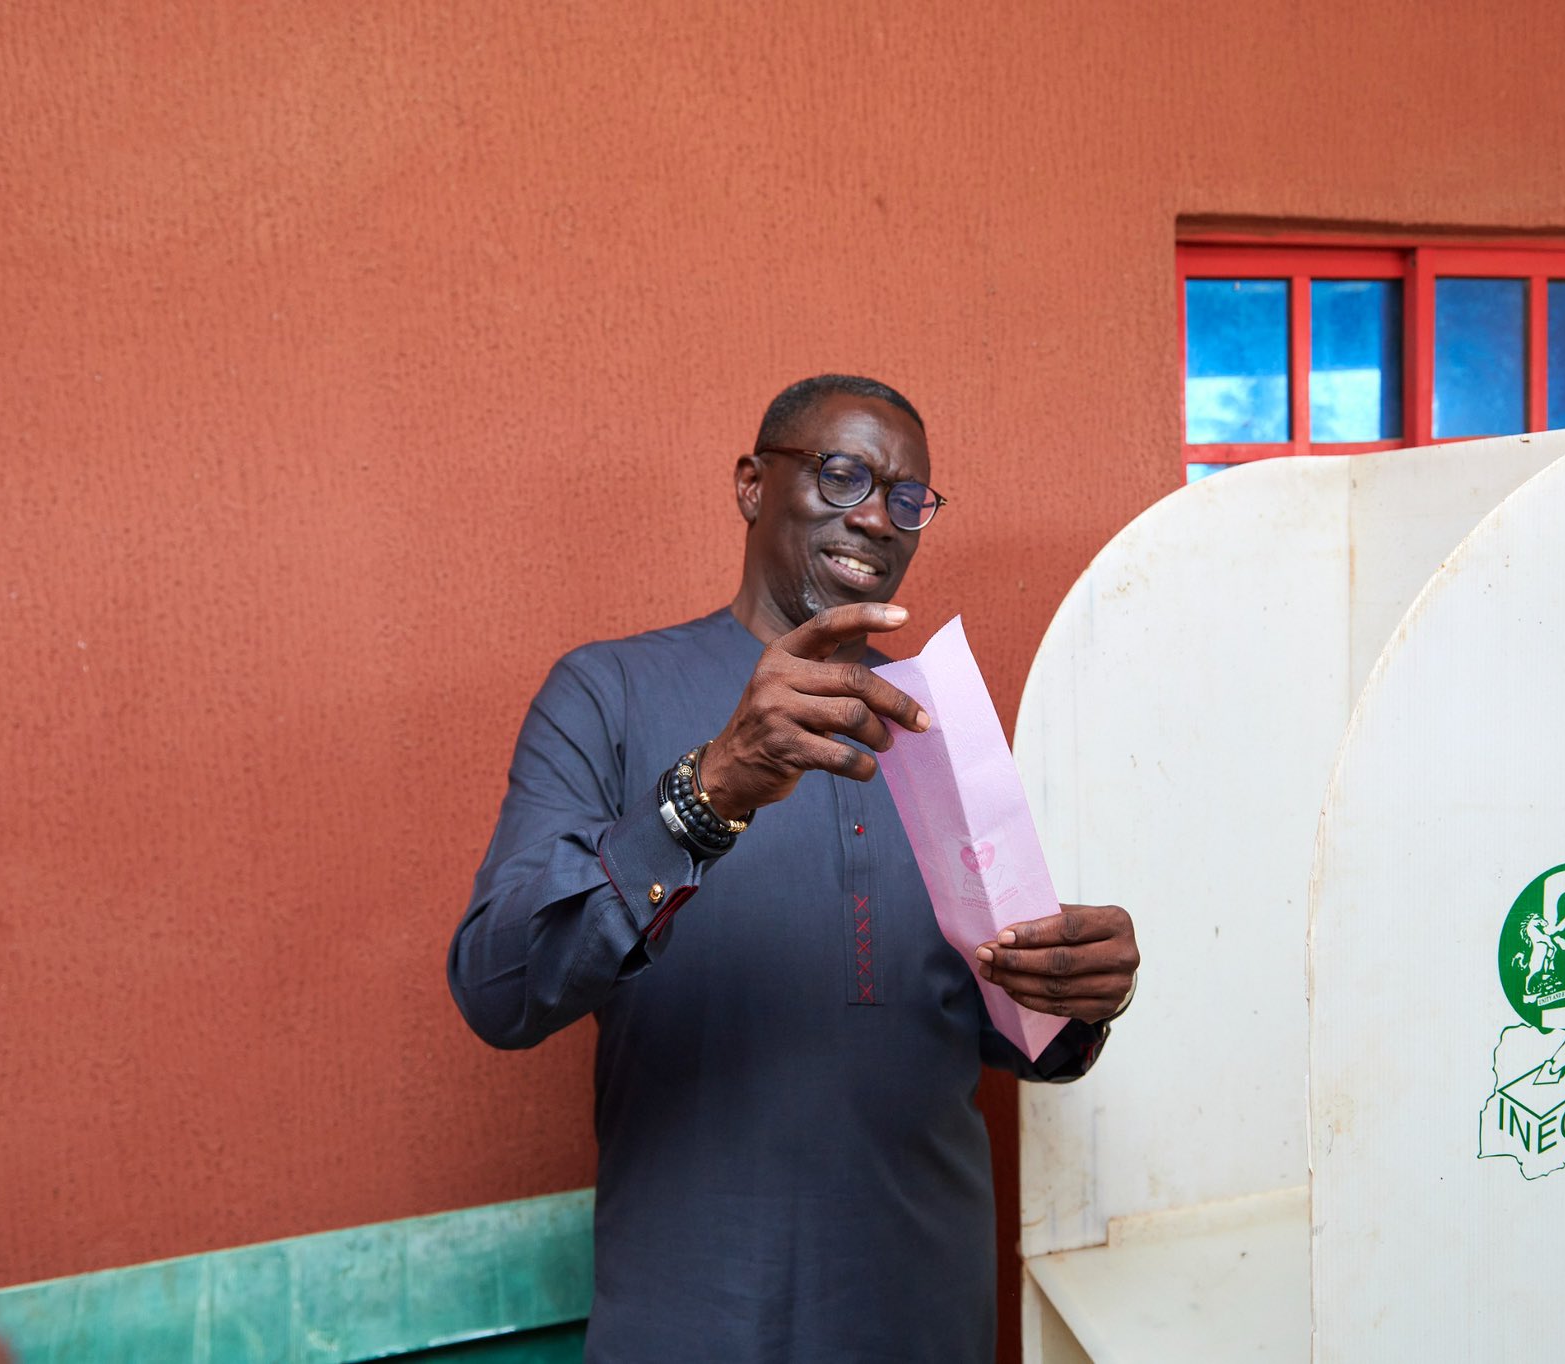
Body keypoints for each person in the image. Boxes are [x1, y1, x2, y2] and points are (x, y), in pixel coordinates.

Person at [447, 374, 1139, 1362]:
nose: (875, 515)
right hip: (692, 1313)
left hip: (924, 1313)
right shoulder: (603, 692)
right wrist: (708, 787)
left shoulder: (935, 724)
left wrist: (1079, 995)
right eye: (841, 472)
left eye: (907, 497)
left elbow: (1005, 1026)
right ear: (749, 485)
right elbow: (496, 987)